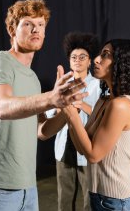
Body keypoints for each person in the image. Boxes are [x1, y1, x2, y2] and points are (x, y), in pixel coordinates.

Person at [0, 0, 89, 211]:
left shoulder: (33, 78)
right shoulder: (0, 63)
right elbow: (3, 107)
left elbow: (41, 131)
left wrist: (67, 109)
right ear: (11, 29)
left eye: (41, 24)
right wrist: (51, 98)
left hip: (28, 188)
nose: (36, 29)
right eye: (27, 23)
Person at [61, 39, 130, 211]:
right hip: (101, 199)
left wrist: (71, 115)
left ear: (122, 64)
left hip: (119, 202)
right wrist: (72, 112)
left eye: (106, 55)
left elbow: (93, 155)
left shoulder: (121, 105)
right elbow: (83, 147)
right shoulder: (104, 100)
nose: (96, 59)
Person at [38, 32, 101, 211]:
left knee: (90, 199)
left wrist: (83, 106)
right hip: (64, 148)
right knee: (64, 200)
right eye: (73, 57)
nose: (77, 60)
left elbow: (104, 116)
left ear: (89, 61)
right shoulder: (63, 82)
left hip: (87, 148)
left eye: (82, 57)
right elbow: (50, 115)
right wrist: (60, 105)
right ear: (69, 60)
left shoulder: (98, 84)